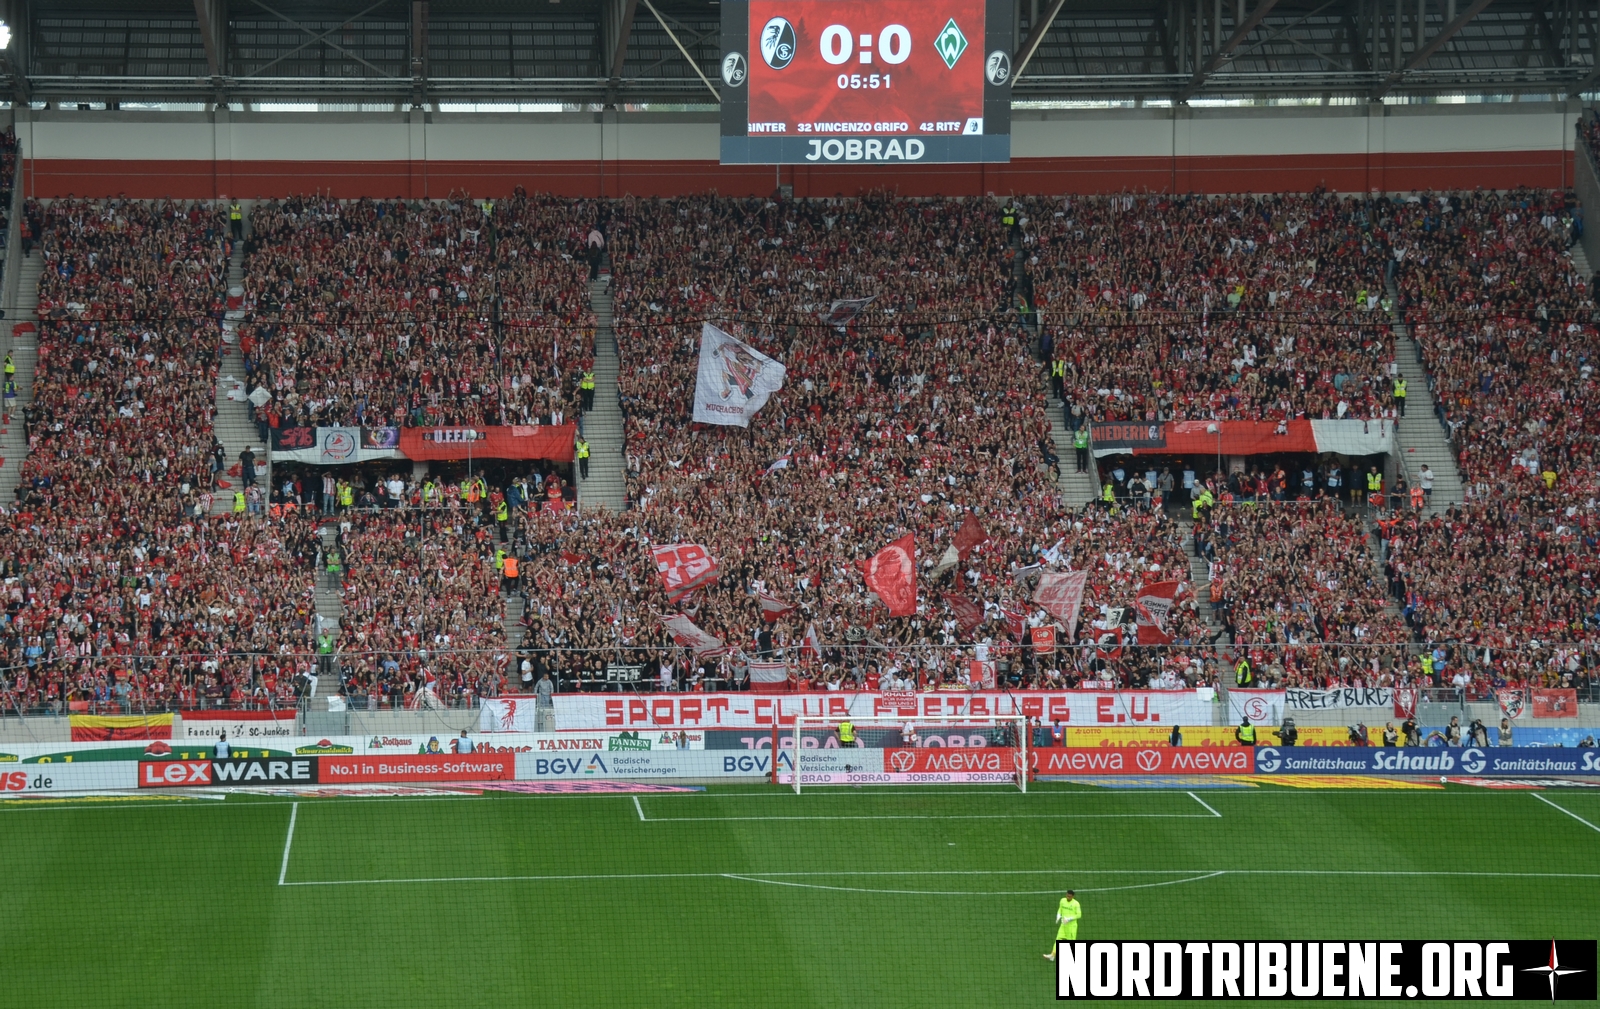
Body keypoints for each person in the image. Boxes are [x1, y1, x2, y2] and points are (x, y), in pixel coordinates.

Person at [1043, 890, 1081, 960]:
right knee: (1058, 940)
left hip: (1071, 927)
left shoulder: (1076, 904)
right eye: (1067, 896)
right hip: (1063, 925)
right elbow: (1060, 909)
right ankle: (1052, 955)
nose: (1068, 897)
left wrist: (1069, 919)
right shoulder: (1062, 900)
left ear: (1073, 896)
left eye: (1069, 896)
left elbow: (1079, 915)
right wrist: (1058, 915)